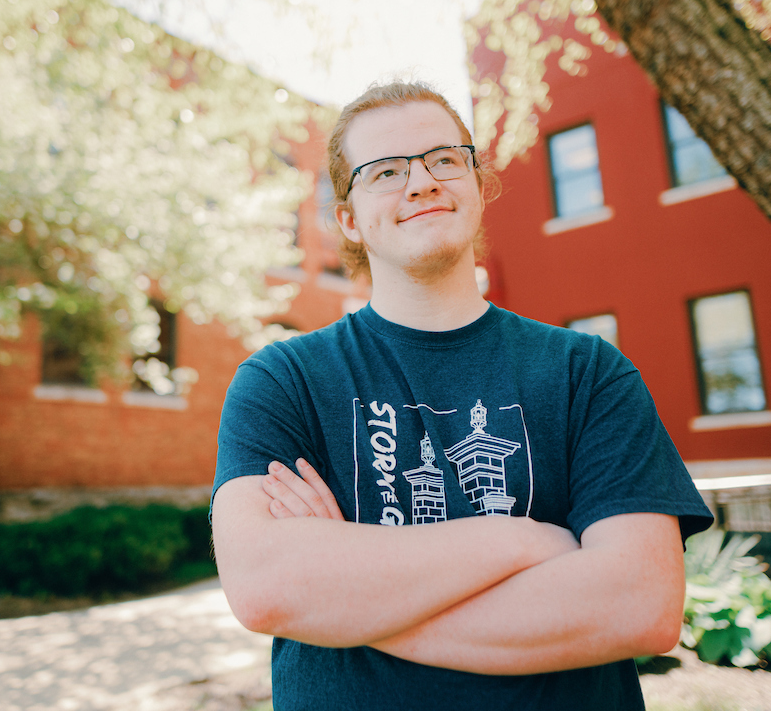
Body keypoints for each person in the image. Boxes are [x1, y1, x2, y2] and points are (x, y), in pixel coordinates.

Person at [210, 80, 713, 710]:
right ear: (348, 219)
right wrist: (524, 542)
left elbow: (639, 606)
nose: (421, 182)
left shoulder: (588, 372)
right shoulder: (284, 381)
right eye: (385, 171)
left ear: (476, 186)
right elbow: (266, 587)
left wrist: (351, 601)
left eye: (444, 160)